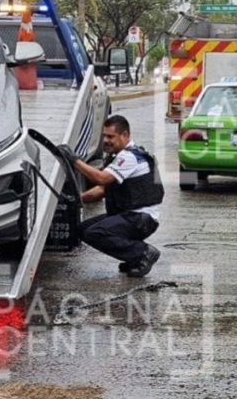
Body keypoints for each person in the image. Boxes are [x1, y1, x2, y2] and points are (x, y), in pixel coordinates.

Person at [58, 115, 165, 277]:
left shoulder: (129, 157)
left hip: (140, 219)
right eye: (104, 136)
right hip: (128, 216)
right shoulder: (118, 156)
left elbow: (101, 179)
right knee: (83, 229)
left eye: (110, 136)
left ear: (125, 135)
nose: (106, 140)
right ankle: (133, 258)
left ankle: (143, 253)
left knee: (95, 232)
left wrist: (74, 160)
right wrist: (78, 199)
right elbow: (102, 189)